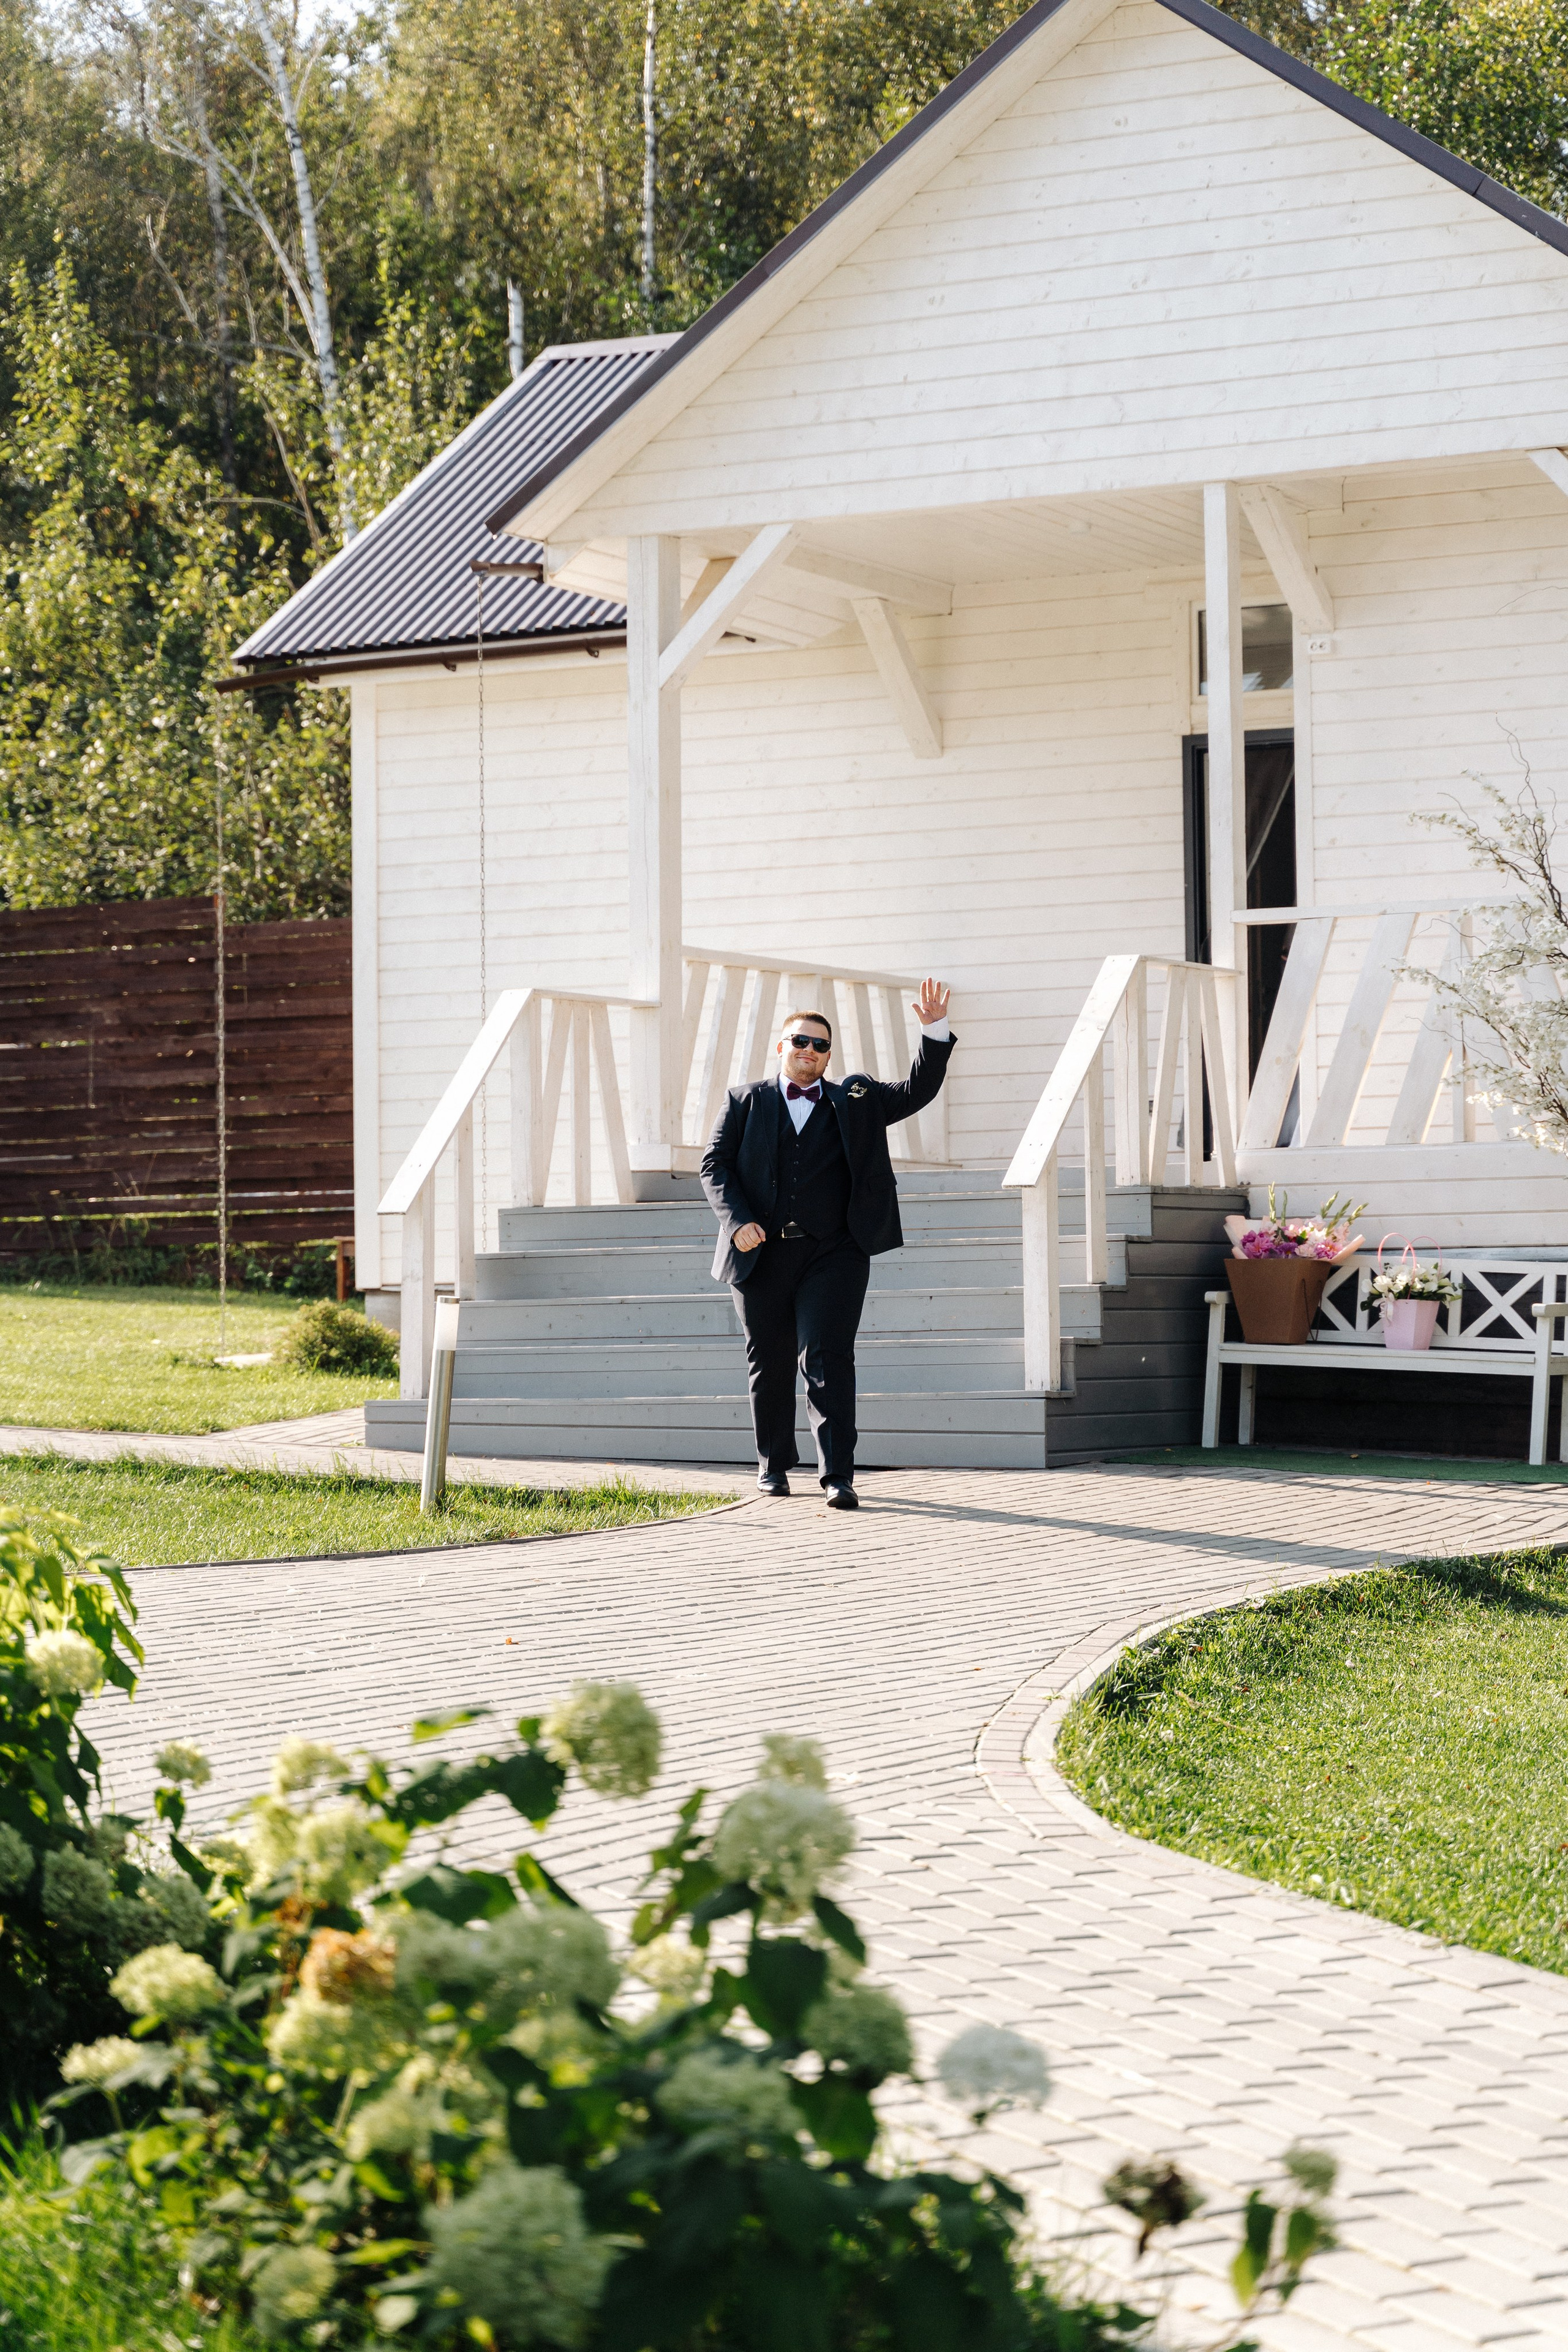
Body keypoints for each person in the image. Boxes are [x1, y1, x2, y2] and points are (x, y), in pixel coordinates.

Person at [699, 981, 956, 1508]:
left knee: (828, 1357)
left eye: (819, 1045)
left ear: (829, 1055)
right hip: (761, 1252)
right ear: (782, 1046)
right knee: (768, 1361)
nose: (809, 1051)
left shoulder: (855, 1099)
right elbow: (714, 1166)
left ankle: (838, 1475)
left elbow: (916, 1091)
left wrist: (933, 1032)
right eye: (800, 1041)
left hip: (834, 1252)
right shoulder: (745, 1101)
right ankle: (773, 1466)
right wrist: (737, 1220)